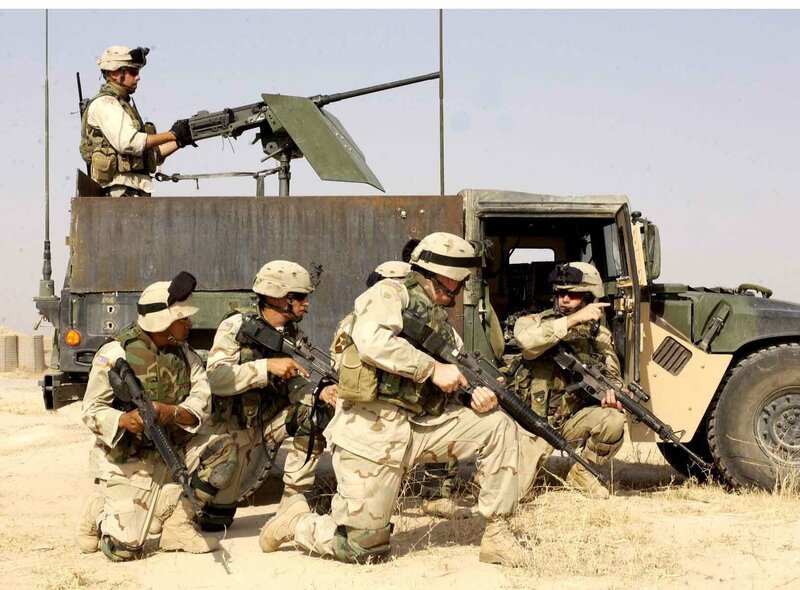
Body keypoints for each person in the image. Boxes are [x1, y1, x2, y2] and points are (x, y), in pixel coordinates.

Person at [259, 232, 527, 566]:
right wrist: (432, 369)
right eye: (461, 280)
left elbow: (455, 371)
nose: (462, 288)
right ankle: (297, 522)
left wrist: (473, 394)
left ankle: (498, 535)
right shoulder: (388, 293)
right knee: (362, 548)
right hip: (372, 431)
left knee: (497, 425)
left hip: (420, 426)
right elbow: (372, 341)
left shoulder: (437, 318)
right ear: (444, 275)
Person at [76, 272, 237, 561]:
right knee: (123, 551)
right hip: (130, 462)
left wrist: (171, 413)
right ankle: (99, 509)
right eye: (182, 319)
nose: (190, 324)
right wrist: (124, 420)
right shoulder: (115, 354)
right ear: (162, 320)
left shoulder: (187, 356)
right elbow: (91, 410)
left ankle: (177, 524)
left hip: (171, 453)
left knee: (222, 449)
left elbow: (202, 404)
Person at [198, 261, 337, 530]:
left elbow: (295, 384)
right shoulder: (237, 326)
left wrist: (319, 393)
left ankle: (292, 502)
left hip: (269, 427)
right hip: (232, 435)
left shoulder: (292, 334)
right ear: (279, 297)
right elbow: (215, 379)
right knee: (215, 521)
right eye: (300, 297)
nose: (306, 303)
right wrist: (265, 367)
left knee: (315, 412)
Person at [509, 262, 626, 500]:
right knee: (515, 494)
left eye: (573, 295)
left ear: (589, 298)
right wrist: (573, 319)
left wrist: (612, 396)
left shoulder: (599, 336)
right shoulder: (533, 322)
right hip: (528, 424)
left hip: (568, 422)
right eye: (561, 293)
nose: (564, 299)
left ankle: (581, 473)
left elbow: (613, 378)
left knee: (613, 419)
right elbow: (528, 342)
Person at [79, 45, 194, 197]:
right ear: (114, 73)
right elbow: (129, 142)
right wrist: (171, 134)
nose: (138, 77)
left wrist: (181, 140)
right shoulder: (105, 104)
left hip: (135, 193)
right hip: (119, 193)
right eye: (133, 72)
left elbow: (152, 156)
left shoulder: (124, 105)